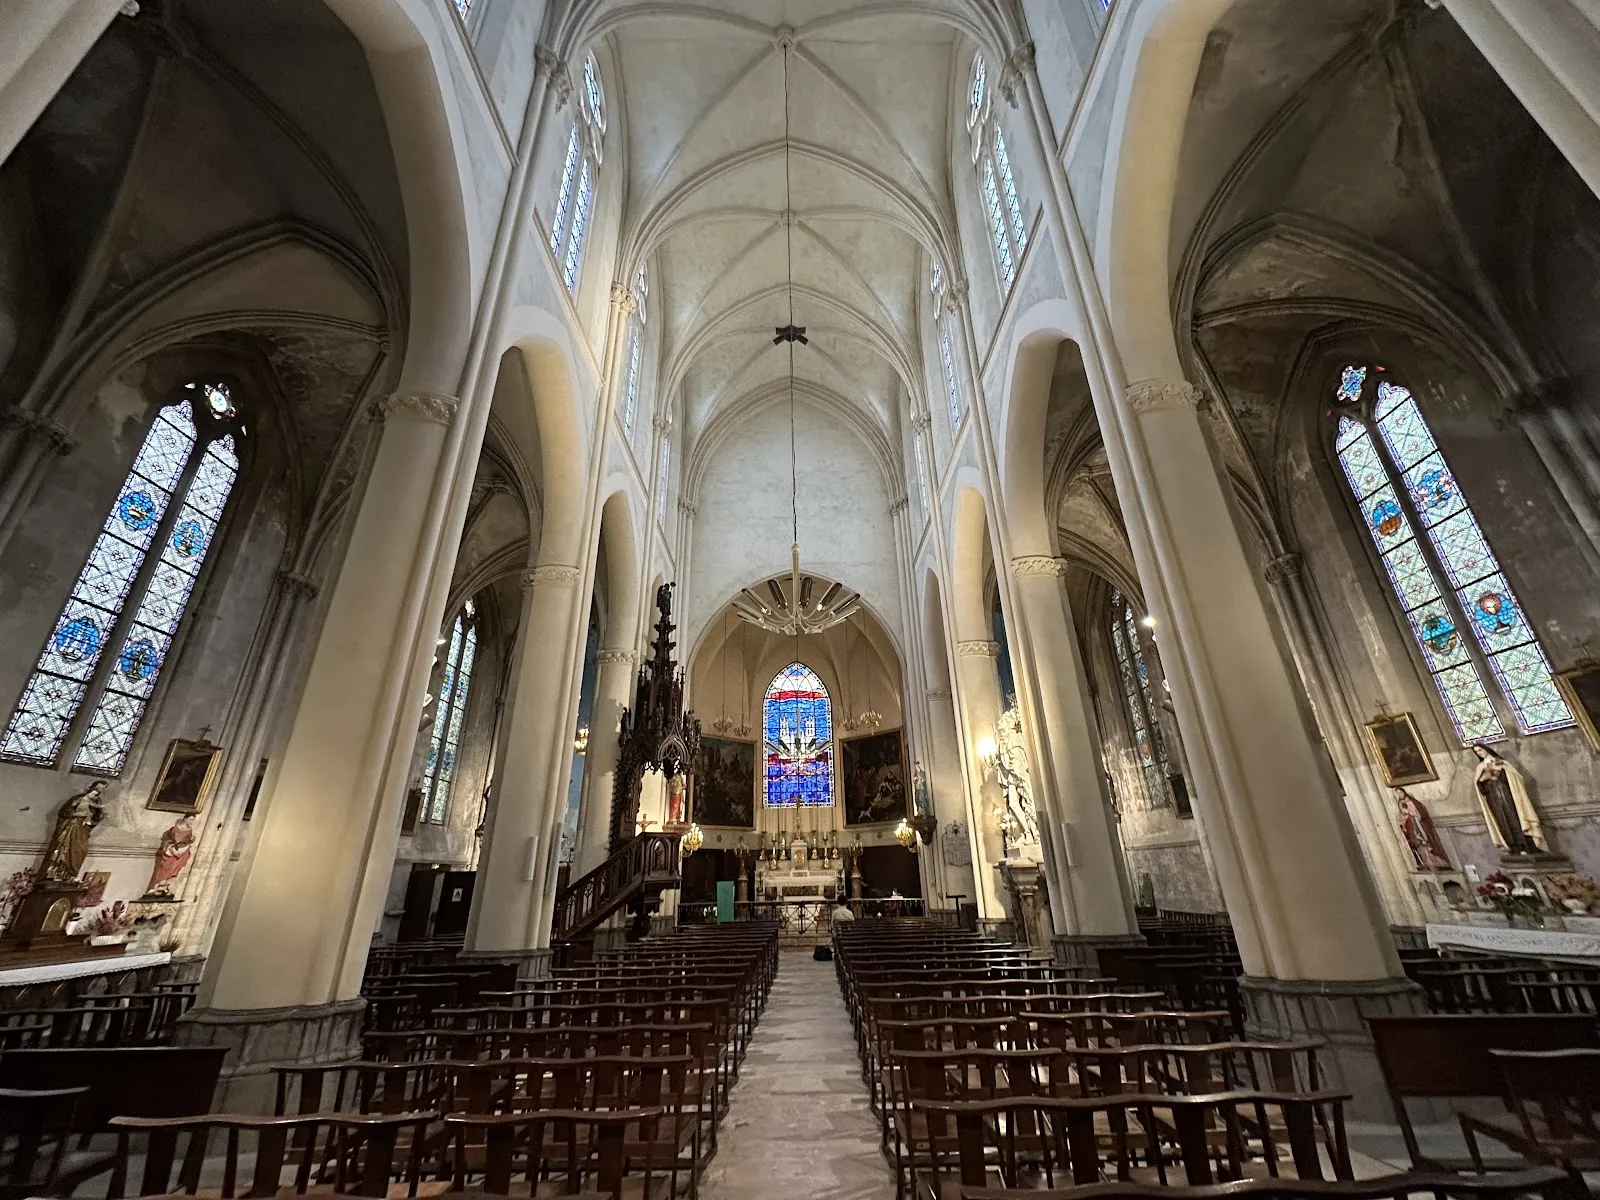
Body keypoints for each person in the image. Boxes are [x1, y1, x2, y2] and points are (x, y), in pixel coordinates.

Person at [1472, 745, 1545, 854]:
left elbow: (1515, 778)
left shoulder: (1502, 763)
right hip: (1494, 799)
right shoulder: (1480, 767)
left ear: (1486, 749)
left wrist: (1499, 771)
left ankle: (1527, 845)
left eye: (1480, 750)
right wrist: (1483, 779)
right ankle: (1513, 846)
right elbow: (1479, 785)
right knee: (1502, 821)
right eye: (1476, 752)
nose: (1479, 753)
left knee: (1515, 818)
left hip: (1509, 796)